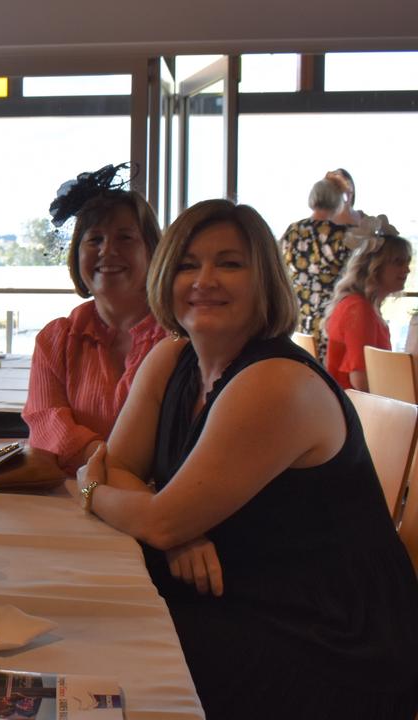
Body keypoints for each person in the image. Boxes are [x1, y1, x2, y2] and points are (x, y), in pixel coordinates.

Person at [78, 199, 418, 718]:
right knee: (91, 626)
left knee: (105, 659)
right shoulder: (172, 358)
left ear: (265, 280)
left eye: (230, 264)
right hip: (238, 593)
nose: (205, 279)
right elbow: (125, 467)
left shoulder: (274, 382)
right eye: (188, 264)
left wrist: (93, 491)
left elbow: (124, 489)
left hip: (324, 636)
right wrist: (174, 530)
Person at [0, 163, 164, 489]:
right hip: (70, 500)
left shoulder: (177, 338)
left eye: (125, 238)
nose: (107, 251)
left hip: (157, 500)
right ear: (76, 253)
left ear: (153, 251)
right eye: (94, 239)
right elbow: (45, 420)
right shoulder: (56, 339)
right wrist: (105, 458)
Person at [281, 173, 357, 361]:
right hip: (330, 319)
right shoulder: (342, 236)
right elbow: (356, 274)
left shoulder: (293, 230)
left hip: (299, 317)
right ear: (337, 201)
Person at [324, 231, 412, 390]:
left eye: (407, 262)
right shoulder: (359, 309)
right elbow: (361, 381)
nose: (407, 270)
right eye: (398, 262)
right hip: (356, 409)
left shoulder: (361, 305)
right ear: (374, 266)